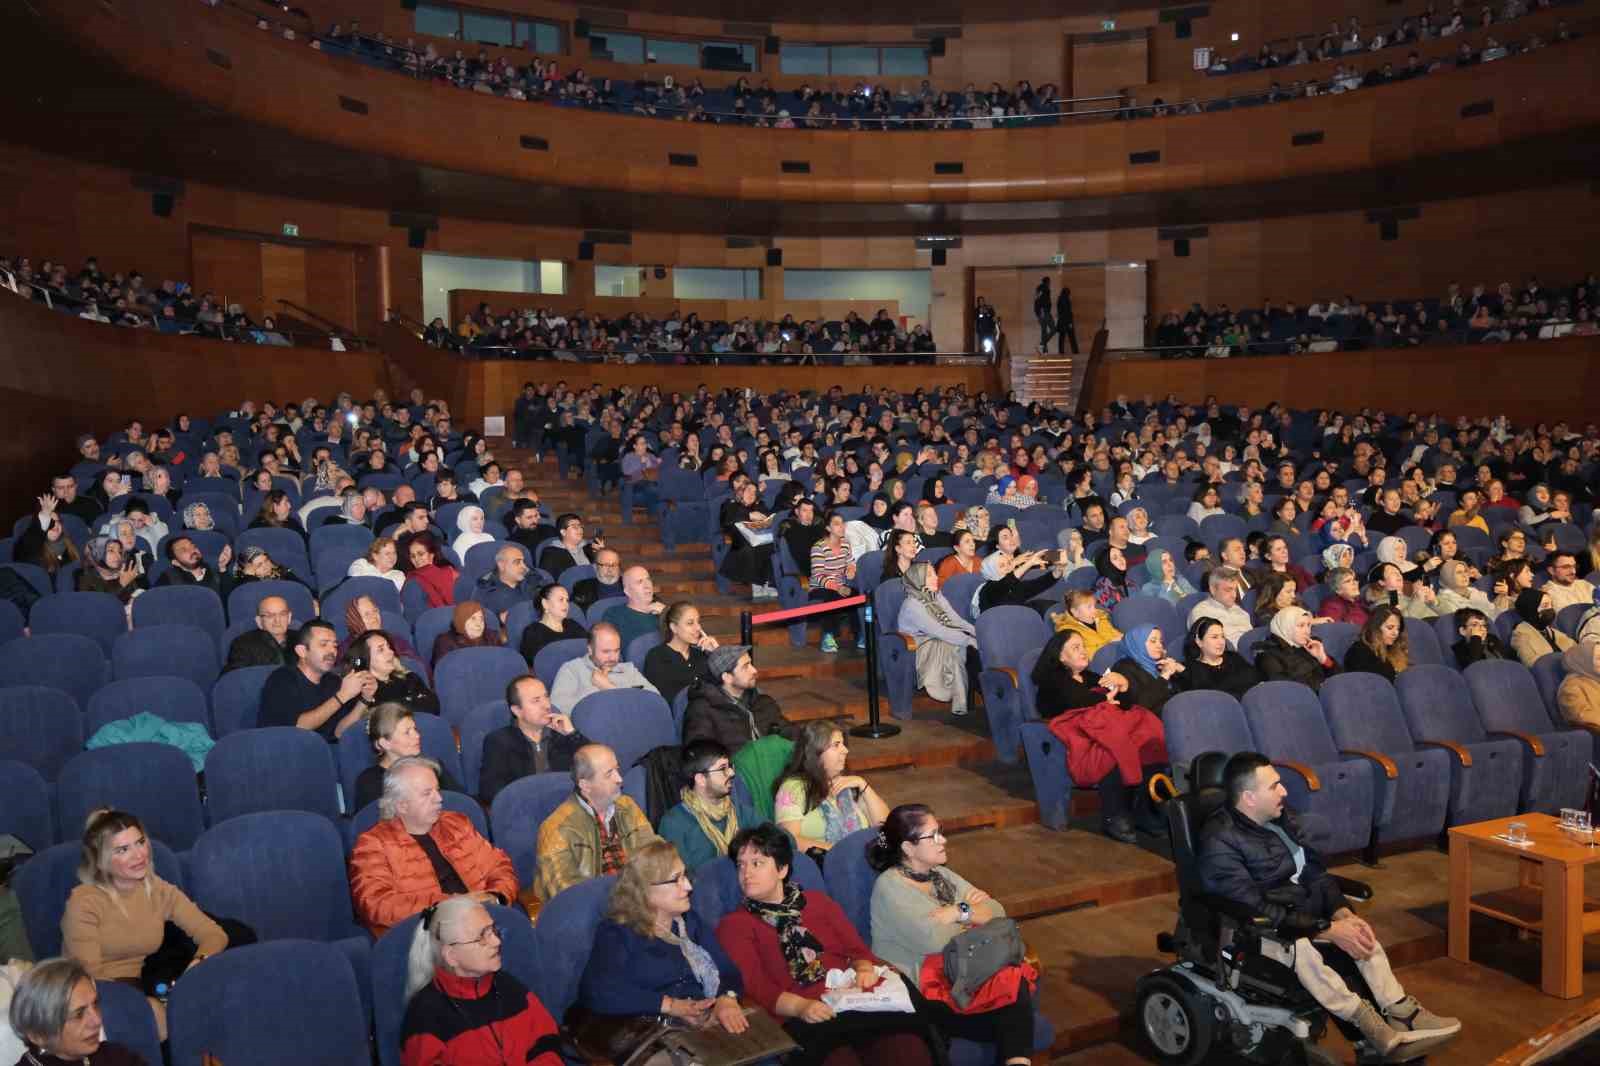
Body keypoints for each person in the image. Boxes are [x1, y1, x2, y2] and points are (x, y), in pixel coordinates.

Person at [1200, 753, 1460, 1054]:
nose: (1284, 791)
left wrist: (1341, 912)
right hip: (1256, 930)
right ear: (1248, 797)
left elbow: (1314, 873)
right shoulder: (1219, 840)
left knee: (1359, 931)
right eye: (1274, 786)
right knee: (1303, 949)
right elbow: (1254, 907)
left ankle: (1403, 1013)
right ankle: (1366, 1024)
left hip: (1302, 916)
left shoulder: (1279, 820)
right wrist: (1326, 930)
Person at [715, 824, 940, 1066]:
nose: (746, 873)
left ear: (782, 869)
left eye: (757, 863)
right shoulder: (735, 925)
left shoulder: (818, 903)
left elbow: (857, 951)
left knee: (907, 1048)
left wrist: (864, 970)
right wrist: (801, 1007)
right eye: (741, 865)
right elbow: (756, 986)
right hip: (801, 1014)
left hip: (852, 999)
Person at [867, 806, 1036, 1066]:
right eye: (933, 836)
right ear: (909, 848)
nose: (943, 840)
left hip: (962, 974)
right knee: (1012, 994)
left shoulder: (941, 876)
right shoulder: (889, 887)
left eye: (941, 832)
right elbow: (934, 941)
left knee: (1011, 982)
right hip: (925, 989)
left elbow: (997, 912)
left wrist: (957, 913)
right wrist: (967, 913)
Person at [61, 809, 229, 1041]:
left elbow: (213, 934)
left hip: (144, 985)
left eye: (140, 842)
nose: (139, 855)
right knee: (165, 1020)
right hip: (96, 996)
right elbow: (89, 977)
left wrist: (197, 965)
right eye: (123, 850)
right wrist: (141, 1005)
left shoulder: (156, 888)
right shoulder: (84, 901)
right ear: (101, 860)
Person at [578, 839, 749, 1037]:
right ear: (645, 890)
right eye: (676, 879)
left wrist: (726, 999)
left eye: (685, 875)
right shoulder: (618, 932)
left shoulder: (689, 921)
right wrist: (670, 1006)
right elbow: (597, 991)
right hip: (649, 1033)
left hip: (703, 1026)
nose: (687, 886)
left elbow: (728, 970)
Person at [348, 756, 519, 937]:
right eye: (426, 793)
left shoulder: (457, 823)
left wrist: (496, 896)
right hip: (427, 936)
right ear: (402, 805)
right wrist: (454, 905)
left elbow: (499, 866)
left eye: (437, 790)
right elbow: (376, 904)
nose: (439, 799)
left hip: (484, 921)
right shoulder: (373, 844)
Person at [1032, 631, 1167, 841]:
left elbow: (1127, 703)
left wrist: (1123, 686)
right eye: (1075, 648)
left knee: (1147, 734)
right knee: (1114, 747)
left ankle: (1142, 810)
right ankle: (1114, 815)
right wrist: (1105, 700)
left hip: (1104, 731)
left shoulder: (1091, 677)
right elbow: (1075, 704)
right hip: (1080, 739)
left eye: (1083, 646)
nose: (1083, 651)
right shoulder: (1052, 681)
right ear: (1060, 656)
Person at [399, 896, 563, 1066]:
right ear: (451, 956)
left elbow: (547, 1041)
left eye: (493, 930)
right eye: (482, 937)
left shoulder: (509, 986)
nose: (497, 941)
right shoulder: (425, 1016)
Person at [533, 743, 659, 902]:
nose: (619, 779)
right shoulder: (555, 829)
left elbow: (655, 853)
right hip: (596, 911)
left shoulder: (627, 806)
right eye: (609, 774)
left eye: (617, 769)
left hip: (637, 900)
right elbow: (565, 894)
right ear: (585, 785)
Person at [774, 722, 888, 860]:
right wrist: (843, 851)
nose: (846, 750)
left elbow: (885, 827)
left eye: (843, 744)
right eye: (836, 745)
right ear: (816, 752)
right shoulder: (793, 788)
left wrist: (864, 786)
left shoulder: (850, 783)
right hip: (823, 864)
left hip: (862, 859)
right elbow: (790, 841)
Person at [7, 956, 148, 1066]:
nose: (97, 1021)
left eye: (95, 1004)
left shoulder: (117, 1057)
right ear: (39, 1035)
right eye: (79, 1014)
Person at [478, 675, 588, 806]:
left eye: (546, 697)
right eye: (536, 700)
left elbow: (597, 769)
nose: (547, 705)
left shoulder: (563, 735)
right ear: (517, 710)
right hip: (525, 812)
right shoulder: (499, 741)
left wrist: (572, 734)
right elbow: (490, 791)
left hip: (568, 808)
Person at [260, 620, 376, 742]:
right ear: (302, 651)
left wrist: (365, 699)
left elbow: (340, 732)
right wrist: (342, 696)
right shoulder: (282, 679)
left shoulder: (334, 681)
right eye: (323, 644)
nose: (332, 651)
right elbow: (298, 728)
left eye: (335, 646)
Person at [659, 739, 760, 873]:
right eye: (723, 768)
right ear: (700, 779)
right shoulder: (674, 824)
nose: (731, 773)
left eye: (730, 766)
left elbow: (784, 842)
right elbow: (682, 877)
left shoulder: (743, 813)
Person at [682, 644, 795, 755]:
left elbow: (789, 733)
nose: (754, 670)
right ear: (727, 677)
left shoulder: (762, 702)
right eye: (745, 666)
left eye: (751, 664)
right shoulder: (702, 710)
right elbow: (700, 755)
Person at [898, 562, 979, 717]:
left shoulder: (937, 596)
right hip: (920, 647)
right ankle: (963, 697)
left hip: (939, 638)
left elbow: (957, 621)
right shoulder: (912, 605)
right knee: (959, 647)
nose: (936, 578)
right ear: (918, 579)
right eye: (929, 575)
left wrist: (978, 633)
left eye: (935, 573)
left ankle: (967, 696)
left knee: (964, 645)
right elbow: (939, 631)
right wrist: (970, 640)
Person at [353, 702, 462, 812]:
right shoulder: (370, 783)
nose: (417, 735)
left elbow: (462, 803)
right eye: (407, 732)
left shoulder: (432, 766)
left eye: (415, 729)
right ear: (385, 743)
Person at [549, 622, 659, 714]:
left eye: (616, 650)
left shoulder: (628, 669)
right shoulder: (572, 669)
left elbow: (655, 700)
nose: (613, 657)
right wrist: (596, 689)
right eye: (606, 652)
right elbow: (558, 707)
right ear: (590, 649)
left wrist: (609, 688)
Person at [343, 630, 439, 716]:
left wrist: (399, 705)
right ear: (365, 659)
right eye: (381, 649)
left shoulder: (408, 677)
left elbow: (434, 705)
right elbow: (387, 717)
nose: (391, 652)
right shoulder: (365, 690)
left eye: (389, 647)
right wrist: (413, 700)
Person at [642, 601, 719, 706]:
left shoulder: (702, 654)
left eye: (698, 622)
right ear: (674, 628)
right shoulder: (657, 657)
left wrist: (716, 653)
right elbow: (664, 702)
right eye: (690, 623)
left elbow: (723, 686)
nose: (698, 628)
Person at [1254, 606, 1338, 691]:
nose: (1307, 631)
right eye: (1301, 626)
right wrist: (1321, 686)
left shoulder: (1310, 645)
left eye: (1309, 625)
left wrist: (1323, 658)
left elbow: (1340, 677)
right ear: (1287, 627)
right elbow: (1287, 688)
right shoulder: (1267, 655)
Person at [808, 509, 857, 653]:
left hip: (839, 585)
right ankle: (828, 636)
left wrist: (851, 570)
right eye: (836, 524)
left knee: (858, 595)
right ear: (828, 528)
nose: (841, 527)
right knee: (831, 596)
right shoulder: (818, 547)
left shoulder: (846, 544)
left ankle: (860, 634)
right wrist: (837, 587)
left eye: (843, 523)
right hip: (819, 588)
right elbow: (818, 576)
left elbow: (851, 562)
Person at [1107, 624, 1184, 716]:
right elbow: (1140, 706)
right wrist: (1164, 676)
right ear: (1137, 643)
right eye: (1153, 641)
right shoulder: (1123, 667)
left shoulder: (1158, 664)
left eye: (1160, 641)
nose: (1159, 645)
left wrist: (1180, 669)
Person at [1178, 617, 1262, 700]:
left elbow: (1255, 680)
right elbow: (1207, 694)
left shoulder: (1234, 657)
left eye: (1222, 637)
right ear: (1199, 641)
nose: (1221, 642)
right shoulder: (1191, 669)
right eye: (1214, 637)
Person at [721, 480, 778, 600]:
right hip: (739, 540)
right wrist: (749, 516)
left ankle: (768, 582)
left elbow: (769, 518)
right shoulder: (730, 504)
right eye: (748, 490)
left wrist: (766, 521)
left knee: (771, 546)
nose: (752, 493)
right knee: (752, 547)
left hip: (760, 538)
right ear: (741, 492)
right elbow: (727, 520)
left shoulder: (760, 505)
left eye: (754, 491)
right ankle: (757, 584)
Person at [601, 566, 667, 650]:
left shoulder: (662, 610)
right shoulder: (614, 614)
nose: (647, 585)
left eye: (648, 579)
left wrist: (667, 614)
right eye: (640, 582)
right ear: (627, 591)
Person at [224, 593, 295, 671]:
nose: (277, 620)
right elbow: (234, 678)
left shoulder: (302, 639)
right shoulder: (243, 644)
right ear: (259, 621)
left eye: (282, 614)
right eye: (269, 615)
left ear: (289, 617)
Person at [519, 582, 589, 661]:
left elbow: (589, 648)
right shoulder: (533, 632)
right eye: (561, 599)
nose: (566, 604)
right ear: (545, 604)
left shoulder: (573, 624)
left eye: (567, 600)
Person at [343, 594, 422, 663]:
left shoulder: (396, 640)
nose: (374, 617)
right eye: (367, 614)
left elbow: (417, 666)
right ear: (355, 619)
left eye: (375, 611)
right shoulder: (347, 648)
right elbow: (353, 668)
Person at [1188, 567, 1253, 647]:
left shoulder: (1241, 611)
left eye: (1235, 590)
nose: (1234, 595)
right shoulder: (1201, 613)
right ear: (1213, 589)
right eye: (1228, 590)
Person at [1509, 587, 1575, 666]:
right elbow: (1532, 664)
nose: (1551, 609)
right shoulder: (1520, 634)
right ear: (1532, 610)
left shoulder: (1549, 630)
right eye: (1545, 605)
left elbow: (1575, 648)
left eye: (1551, 605)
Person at [75, 535, 145, 605]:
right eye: (111, 550)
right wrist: (121, 584)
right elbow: (98, 606)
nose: (118, 556)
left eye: (119, 551)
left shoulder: (123, 571)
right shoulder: (83, 577)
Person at [430, 600, 503, 667]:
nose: (479, 624)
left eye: (481, 618)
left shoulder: (493, 637)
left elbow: (502, 663)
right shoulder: (444, 642)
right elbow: (441, 672)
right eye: (473, 619)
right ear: (462, 620)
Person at [1344, 606, 1408, 682]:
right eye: (1390, 628)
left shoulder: (1393, 648)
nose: (1396, 633)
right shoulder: (1359, 652)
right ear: (1375, 628)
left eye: (1398, 629)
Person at [1053, 587, 1123, 657]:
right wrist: (1110, 645)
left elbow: (1115, 633)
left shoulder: (1100, 617)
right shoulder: (1069, 632)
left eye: (1094, 606)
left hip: (1119, 652)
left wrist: (1122, 638)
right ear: (1075, 612)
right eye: (1089, 607)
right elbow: (1086, 656)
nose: (1094, 610)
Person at [404, 534, 458, 609]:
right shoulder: (414, 579)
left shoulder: (451, 572)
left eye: (421, 554)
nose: (416, 559)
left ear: (432, 555)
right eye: (413, 556)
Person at [1557, 640, 1600, 730]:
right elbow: (1584, 718)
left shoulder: (1595, 678)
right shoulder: (1570, 688)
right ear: (1584, 661)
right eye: (1599, 658)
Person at [570, 548, 623, 612]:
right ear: (595, 567)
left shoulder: (630, 586)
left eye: (614, 565)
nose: (610, 570)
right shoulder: (581, 588)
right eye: (605, 565)